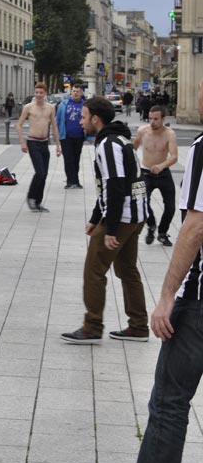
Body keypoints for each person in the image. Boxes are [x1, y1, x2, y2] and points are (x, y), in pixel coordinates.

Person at [124, 79, 203, 463]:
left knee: (170, 403)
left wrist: (169, 295)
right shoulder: (148, 134)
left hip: (200, 305)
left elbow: (196, 224)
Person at [61, 96, 148, 345]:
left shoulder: (107, 144)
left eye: (85, 116)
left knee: (94, 270)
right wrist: (95, 217)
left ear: (96, 119)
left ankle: (92, 327)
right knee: (127, 270)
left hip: (122, 217)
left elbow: (115, 186)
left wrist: (109, 229)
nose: (81, 120)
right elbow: (109, 187)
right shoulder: (119, 138)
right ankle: (139, 327)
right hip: (136, 215)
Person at [133, 105, 178, 247]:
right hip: (146, 172)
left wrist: (162, 166)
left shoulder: (169, 134)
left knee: (170, 207)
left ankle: (163, 233)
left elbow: (175, 156)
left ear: (163, 119)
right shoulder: (142, 131)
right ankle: (151, 225)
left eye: (156, 119)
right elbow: (132, 149)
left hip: (163, 173)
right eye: (150, 118)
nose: (152, 122)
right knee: (142, 201)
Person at [16, 82, 62, 212]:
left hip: (44, 142)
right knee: (40, 172)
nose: (38, 95)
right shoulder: (29, 107)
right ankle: (31, 197)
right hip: (33, 142)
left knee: (44, 174)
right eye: (36, 92)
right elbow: (18, 125)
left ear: (45, 93)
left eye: (41, 93)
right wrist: (22, 142)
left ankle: (38, 201)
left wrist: (58, 145)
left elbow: (54, 126)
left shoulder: (50, 108)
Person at [57, 84, 87, 189]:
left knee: (76, 159)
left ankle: (76, 180)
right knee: (68, 159)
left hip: (79, 136)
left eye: (78, 91)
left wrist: (89, 136)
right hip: (66, 137)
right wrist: (57, 135)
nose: (75, 93)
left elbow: (88, 121)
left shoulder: (84, 106)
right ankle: (70, 181)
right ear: (71, 92)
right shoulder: (63, 104)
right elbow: (58, 120)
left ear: (81, 93)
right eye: (74, 91)